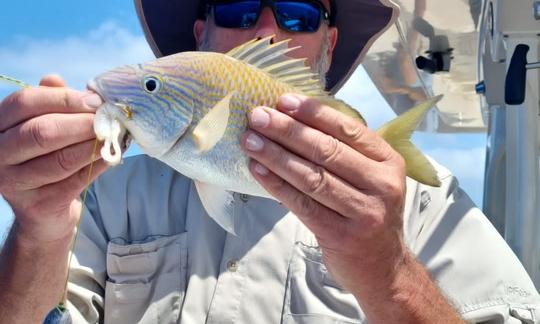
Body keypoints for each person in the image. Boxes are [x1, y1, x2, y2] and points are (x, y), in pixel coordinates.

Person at [0, 0, 539, 323]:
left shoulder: (421, 202)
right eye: (236, 7)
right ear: (200, 34)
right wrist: (37, 232)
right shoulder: (99, 194)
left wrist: (389, 273)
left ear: (329, 42)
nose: (265, 31)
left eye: (299, 14)